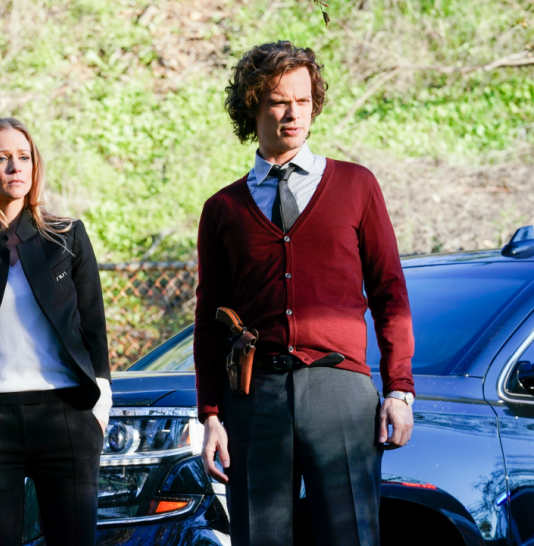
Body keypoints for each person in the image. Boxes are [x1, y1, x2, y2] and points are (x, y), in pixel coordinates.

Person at [194, 41, 415, 546]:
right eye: (278, 102)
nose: (294, 114)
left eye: (303, 101)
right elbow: (209, 319)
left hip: (342, 392)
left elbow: (390, 293)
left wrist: (399, 390)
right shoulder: (222, 209)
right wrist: (211, 415)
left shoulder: (357, 186)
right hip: (254, 400)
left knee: (351, 536)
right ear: (252, 107)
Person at [0, 117, 111, 546]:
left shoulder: (67, 236)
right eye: (2, 158)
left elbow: (93, 327)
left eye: (24, 157)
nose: (15, 168)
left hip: (67, 414)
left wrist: (100, 408)